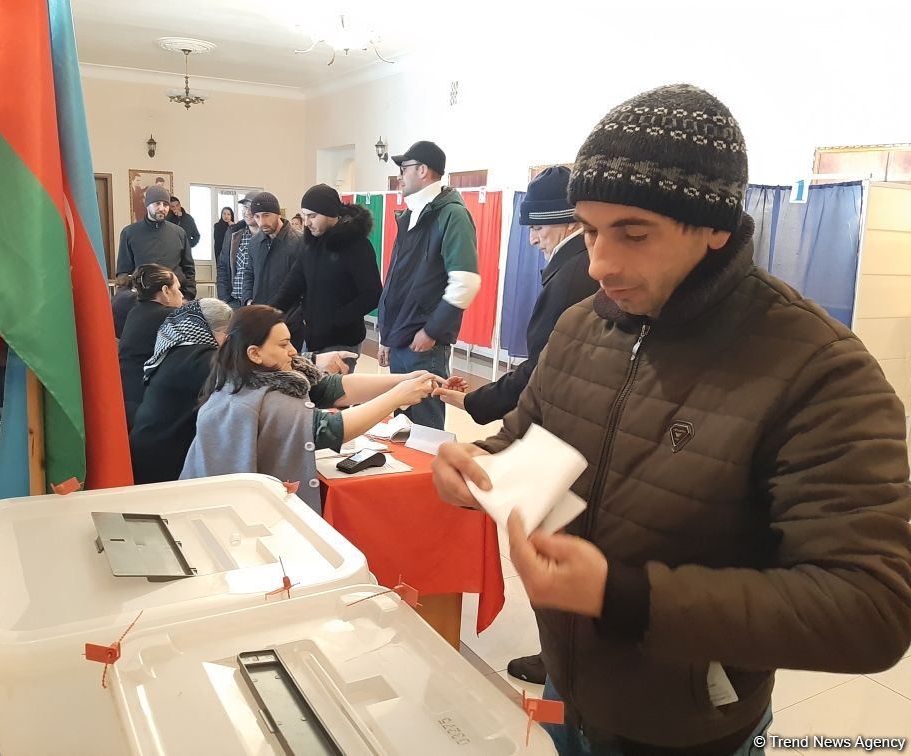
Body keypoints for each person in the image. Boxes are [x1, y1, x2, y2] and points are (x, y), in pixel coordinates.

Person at [431, 84, 911, 755]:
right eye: (590, 231)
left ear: (715, 228)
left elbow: (872, 610)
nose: (600, 264)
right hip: (571, 688)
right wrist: (481, 461)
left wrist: (626, 596)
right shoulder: (580, 326)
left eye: (633, 232)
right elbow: (533, 439)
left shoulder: (820, 372)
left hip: (691, 727)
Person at [435, 165, 597, 686]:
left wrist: (480, 402)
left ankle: (562, 659)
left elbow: (543, 370)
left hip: (565, 437)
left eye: (537, 226)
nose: (530, 237)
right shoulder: (575, 268)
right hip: (568, 428)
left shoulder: (575, 273)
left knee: (556, 543)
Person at [181, 305, 441, 513]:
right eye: (283, 345)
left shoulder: (244, 378)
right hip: (233, 512)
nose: (293, 351)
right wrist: (396, 397)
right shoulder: (261, 399)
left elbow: (331, 388)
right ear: (255, 353)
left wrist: (402, 379)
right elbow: (329, 430)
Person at [378, 140, 480, 429]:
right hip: (401, 340)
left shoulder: (452, 214)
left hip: (424, 345)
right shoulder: (411, 214)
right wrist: (387, 334)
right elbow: (397, 281)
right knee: (401, 427)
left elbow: (466, 281)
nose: (400, 176)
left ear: (423, 170)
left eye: (404, 168)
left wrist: (431, 330)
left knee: (423, 430)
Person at [272, 184, 382, 373]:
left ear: (332, 214)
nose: (306, 222)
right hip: (312, 338)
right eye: (304, 215)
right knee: (311, 395)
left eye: (313, 216)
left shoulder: (356, 245)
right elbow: (293, 283)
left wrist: (332, 320)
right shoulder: (311, 243)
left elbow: (372, 294)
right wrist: (268, 313)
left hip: (342, 341)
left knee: (332, 398)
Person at [130, 298, 232, 484]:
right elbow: (245, 380)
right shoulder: (201, 358)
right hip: (164, 462)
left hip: (149, 451)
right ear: (212, 330)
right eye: (227, 334)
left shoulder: (177, 351)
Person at [118, 264, 184, 428]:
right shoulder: (170, 317)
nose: (182, 295)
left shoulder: (136, 311)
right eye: (178, 288)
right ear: (166, 291)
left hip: (126, 393)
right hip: (147, 403)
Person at [241, 191, 305, 349]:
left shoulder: (299, 242)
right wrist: (249, 300)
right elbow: (248, 273)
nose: (262, 222)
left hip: (290, 321)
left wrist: (297, 315)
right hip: (260, 318)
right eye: (257, 216)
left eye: (266, 215)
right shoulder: (255, 242)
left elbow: (306, 282)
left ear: (277, 214)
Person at [115, 184, 196, 300]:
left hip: (175, 301)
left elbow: (189, 269)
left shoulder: (179, 233)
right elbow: (123, 272)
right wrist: (129, 297)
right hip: (142, 301)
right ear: (147, 205)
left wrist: (187, 297)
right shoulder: (129, 233)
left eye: (166, 204)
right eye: (157, 203)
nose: (162, 208)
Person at [216, 200, 258, 307]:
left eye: (251, 208)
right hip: (234, 300)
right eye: (245, 207)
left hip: (258, 302)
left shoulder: (269, 236)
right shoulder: (234, 233)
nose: (247, 212)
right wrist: (224, 298)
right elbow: (223, 266)